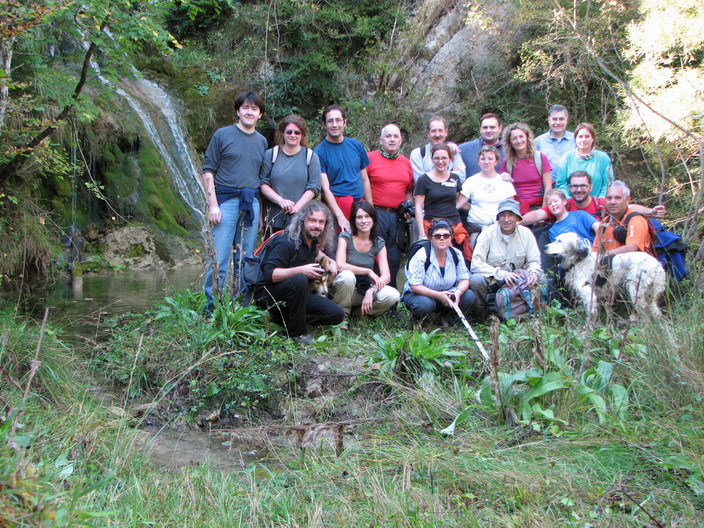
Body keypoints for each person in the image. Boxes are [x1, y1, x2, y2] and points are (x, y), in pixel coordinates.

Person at [202, 91, 268, 313]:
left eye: (254, 109)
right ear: (238, 111)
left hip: (251, 204)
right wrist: (213, 205)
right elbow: (208, 170)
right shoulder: (222, 135)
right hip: (225, 202)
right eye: (245, 108)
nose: (250, 112)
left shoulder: (262, 141)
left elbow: (259, 179)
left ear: (259, 114)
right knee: (218, 259)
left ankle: (241, 309)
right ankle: (212, 311)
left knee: (246, 260)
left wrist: (260, 212)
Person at [253, 202, 345, 345]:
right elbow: (268, 275)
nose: (317, 226)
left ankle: (283, 320)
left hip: (295, 296)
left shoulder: (311, 244)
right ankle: (298, 333)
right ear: (302, 221)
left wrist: (329, 262)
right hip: (268, 294)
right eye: (312, 220)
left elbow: (318, 255)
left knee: (336, 314)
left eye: (321, 222)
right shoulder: (287, 241)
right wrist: (301, 270)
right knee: (300, 279)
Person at [470, 199, 542, 315]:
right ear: (498, 218)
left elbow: (533, 261)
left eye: (511, 215)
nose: (506, 219)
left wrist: (533, 272)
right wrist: (502, 274)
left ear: (518, 218)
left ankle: (529, 314)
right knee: (476, 280)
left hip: (518, 281)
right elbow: (476, 264)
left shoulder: (526, 234)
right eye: (503, 216)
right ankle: (481, 315)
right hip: (493, 278)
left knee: (541, 279)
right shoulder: (487, 234)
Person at [332, 201, 400, 320]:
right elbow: (340, 265)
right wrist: (368, 271)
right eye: (359, 217)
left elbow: (386, 276)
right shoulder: (345, 237)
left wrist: (371, 291)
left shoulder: (378, 242)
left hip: (364, 289)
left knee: (393, 295)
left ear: (373, 219)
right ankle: (342, 316)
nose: (364, 221)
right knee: (347, 276)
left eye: (367, 216)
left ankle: (361, 313)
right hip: (344, 291)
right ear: (354, 220)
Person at [521, 170, 666, 225]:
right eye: (575, 186)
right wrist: (517, 223)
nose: (579, 190)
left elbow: (627, 207)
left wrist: (650, 212)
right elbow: (538, 214)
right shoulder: (565, 206)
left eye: (583, 186)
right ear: (569, 188)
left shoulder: (601, 204)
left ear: (590, 187)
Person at [366, 124, 414, 288]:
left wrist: (408, 207)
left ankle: (391, 300)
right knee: (374, 253)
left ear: (400, 140)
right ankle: (371, 294)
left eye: (395, 136)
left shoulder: (406, 163)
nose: (392, 139)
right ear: (381, 140)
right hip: (375, 213)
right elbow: (362, 185)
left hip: (397, 216)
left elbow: (408, 189)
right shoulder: (369, 158)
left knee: (394, 255)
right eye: (388, 136)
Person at [402, 219, 476, 324]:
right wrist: (438, 295)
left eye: (446, 236)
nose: (442, 238)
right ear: (430, 238)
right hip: (422, 295)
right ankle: (421, 321)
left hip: (447, 293)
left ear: (451, 238)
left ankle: (448, 317)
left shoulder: (456, 254)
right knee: (424, 304)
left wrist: (458, 293)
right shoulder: (422, 255)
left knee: (469, 296)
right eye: (437, 236)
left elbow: (464, 279)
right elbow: (415, 285)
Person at [259, 114, 321, 236]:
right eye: (289, 132)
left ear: (302, 135)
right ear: (282, 133)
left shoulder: (311, 157)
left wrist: (296, 208)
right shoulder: (271, 154)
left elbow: (314, 187)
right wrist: (281, 201)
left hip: (301, 220)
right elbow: (263, 184)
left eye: (297, 133)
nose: (293, 135)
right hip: (273, 219)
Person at [314, 105, 371, 232]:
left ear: (345, 122)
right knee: (339, 247)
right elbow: (325, 189)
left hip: (359, 204)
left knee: (362, 245)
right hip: (337, 205)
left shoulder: (356, 145)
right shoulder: (319, 152)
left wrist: (370, 209)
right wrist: (340, 216)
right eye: (330, 121)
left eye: (338, 120)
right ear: (325, 124)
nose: (335, 124)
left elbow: (365, 180)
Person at [414, 143, 473, 261]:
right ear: (432, 159)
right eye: (437, 158)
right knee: (434, 261)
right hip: (431, 226)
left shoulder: (455, 178)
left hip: (455, 226)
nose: (440, 161)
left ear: (450, 159)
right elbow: (419, 207)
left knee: (457, 261)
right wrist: (422, 235)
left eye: (444, 158)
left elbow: (459, 201)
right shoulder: (423, 180)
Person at [455, 145, 516, 243]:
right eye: (483, 159)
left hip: (500, 228)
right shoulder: (471, 181)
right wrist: (474, 208)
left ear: (496, 161)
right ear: (478, 161)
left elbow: (511, 207)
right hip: (476, 227)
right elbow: (458, 204)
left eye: (490, 159)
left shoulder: (505, 182)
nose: (486, 162)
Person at [499, 122, 552, 215]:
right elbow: (504, 190)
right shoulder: (507, 162)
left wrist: (543, 211)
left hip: (539, 206)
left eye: (521, 136)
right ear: (510, 142)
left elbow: (548, 187)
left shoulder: (540, 157)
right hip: (517, 207)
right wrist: (502, 177)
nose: (518, 141)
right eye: (514, 138)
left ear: (527, 137)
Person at [592, 180, 656, 256]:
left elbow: (632, 248)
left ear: (627, 200)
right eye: (609, 198)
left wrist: (605, 255)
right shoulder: (604, 222)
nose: (612, 202)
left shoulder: (636, 219)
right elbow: (596, 249)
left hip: (635, 265)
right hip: (609, 265)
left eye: (617, 198)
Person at [555, 122, 613, 198]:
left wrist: (599, 203)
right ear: (575, 139)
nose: (583, 139)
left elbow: (608, 185)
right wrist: (569, 201)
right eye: (580, 136)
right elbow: (561, 184)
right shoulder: (567, 157)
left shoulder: (603, 158)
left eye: (587, 136)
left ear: (592, 139)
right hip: (571, 205)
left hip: (597, 205)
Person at [409, 116, 466, 183]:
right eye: (433, 131)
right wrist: (451, 174)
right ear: (428, 133)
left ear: (446, 132)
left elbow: (461, 178)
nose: (437, 134)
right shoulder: (418, 154)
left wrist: (429, 175)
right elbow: (420, 182)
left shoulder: (453, 152)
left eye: (440, 130)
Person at [534, 104, 576, 176]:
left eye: (561, 119)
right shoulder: (538, 141)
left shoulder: (576, 139)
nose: (558, 122)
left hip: (572, 184)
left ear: (567, 121)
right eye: (554, 119)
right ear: (549, 120)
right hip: (547, 184)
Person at [459, 113, 505, 177]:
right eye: (485, 127)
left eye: (492, 127)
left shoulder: (509, 149)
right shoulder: (465, 149)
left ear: (500, 128)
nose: (488, 130)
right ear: (480, 129)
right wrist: (449, 144)